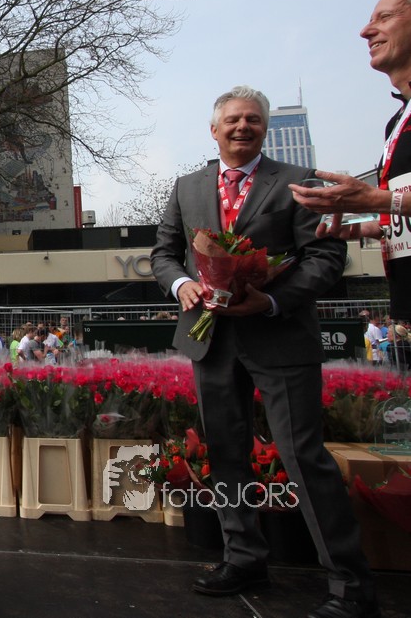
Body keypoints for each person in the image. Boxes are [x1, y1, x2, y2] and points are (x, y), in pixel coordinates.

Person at [151, 85, 377, 618]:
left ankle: (350, 585)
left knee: (303, 457)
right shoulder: (187, 186)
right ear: (214, 130)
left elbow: (325, 257)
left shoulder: (300, 182)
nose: (242, 127)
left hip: (281, 336)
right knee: (225, 453)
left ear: (265, 128)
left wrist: (272, 300)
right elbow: (164, 253)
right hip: (211, 339)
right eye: (232, 119)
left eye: (253, 119)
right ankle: (243, 558)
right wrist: (182, 284)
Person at [291, 0, 411, 326]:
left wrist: (377, 200)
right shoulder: (396, 122)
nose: (365, 31)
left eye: (384, 17)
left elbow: (393, 201)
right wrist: (372, 228)